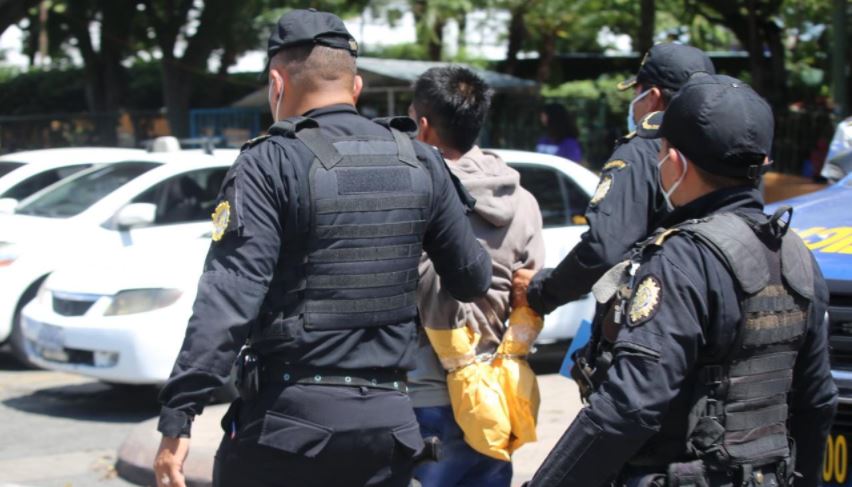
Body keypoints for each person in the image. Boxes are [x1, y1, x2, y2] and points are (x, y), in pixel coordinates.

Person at [152, 9, 493, 487]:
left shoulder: (268, 162)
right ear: (355, 89)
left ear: (276, 83)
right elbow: (473, 279)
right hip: (390, 428)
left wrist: (179, 414)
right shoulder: (420, 159)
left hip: (289, 428)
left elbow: (229, 298)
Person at [521, 74, 837, 487]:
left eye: (663, 152)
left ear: (675, 163)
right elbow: (816, 400)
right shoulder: (794, 252)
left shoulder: (680, 258)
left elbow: (629, 407)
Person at [408, 66, 545, 487]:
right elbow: (531, 295)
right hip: (492, 405)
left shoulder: (414, 193)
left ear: (424, 126)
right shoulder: (521, 200)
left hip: (423, 397)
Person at [514, 43, 716, 317]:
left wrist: (543, 290)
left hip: (648, 322)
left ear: (653, 97)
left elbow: (603, 250)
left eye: (637, 92)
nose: (632, 105)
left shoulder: (641, 149)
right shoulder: (721, 151)